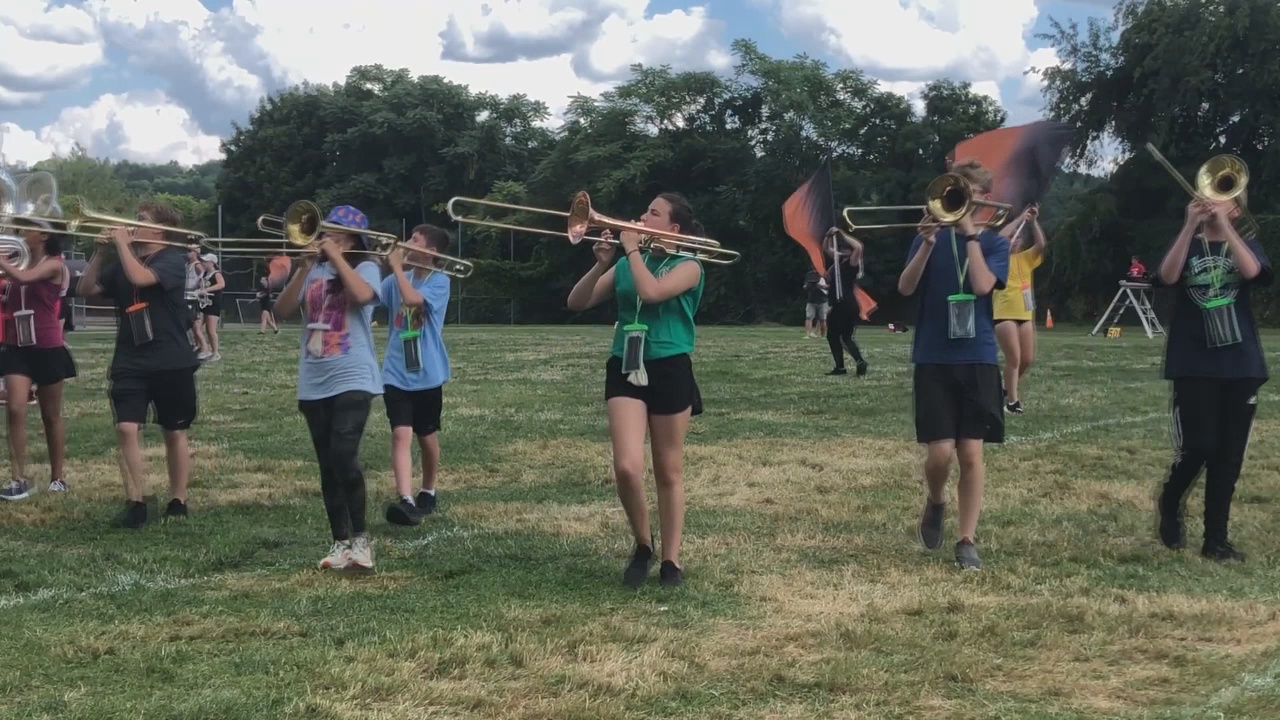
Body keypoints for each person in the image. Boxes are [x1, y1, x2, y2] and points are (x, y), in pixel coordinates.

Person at [566, 192, 705, 589]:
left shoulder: (689, 265)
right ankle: (642, 544)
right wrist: (600, 265)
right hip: (625, 365)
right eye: (645, 209)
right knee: (627, 466)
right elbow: (577, 302)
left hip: (671, 367)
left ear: (673, 229)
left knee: (668, 469)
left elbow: (652, 293)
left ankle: (671, 560)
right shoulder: (629, 262)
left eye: (653, 213)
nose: (641, 216)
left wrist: (630, 252)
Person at [897, 159, 1010, 571]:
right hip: (933, 355)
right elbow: (906, 287)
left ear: (984, 200)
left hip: (978, 355)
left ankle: (966, 539)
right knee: (940, 453)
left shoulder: (996, 243)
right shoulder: (930, 237)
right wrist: (925, 244)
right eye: (957, 193)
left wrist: (971, 238)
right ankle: (936, 499)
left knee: (972, 453)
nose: (964, 203)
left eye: (971, 195)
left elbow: (981, 287)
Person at [1153, 195, 1269, 562]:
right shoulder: (1187, 243)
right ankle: (1171, 500)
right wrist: (1190, 224)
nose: (1215, 204)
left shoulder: (1246, 243)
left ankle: (1216, 540)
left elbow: (1253, 273)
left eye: (1226, 200)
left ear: (1237, 208)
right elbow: (1167, 277)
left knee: (1229, 457)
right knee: (1200, 446)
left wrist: (1228, 229)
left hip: (1241, 363)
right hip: (1194, 362)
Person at [273, 205, 383, 572]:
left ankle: (362, 541)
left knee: (343, 453)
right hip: (314, 377)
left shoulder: (366, 266)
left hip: (353, 374)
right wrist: (303, 266)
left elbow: (361, 297)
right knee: (326, 463)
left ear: (351, 239)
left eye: (334, 232)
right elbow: (282, 309)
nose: (325, 236)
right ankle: (339, 542)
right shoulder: (312, 267)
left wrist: (336, 258)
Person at [76, 201, 199, 528]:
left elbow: (142, 278)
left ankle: (178, 499)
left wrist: (120, 244)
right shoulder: (121, 262)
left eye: (140, 220)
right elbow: (84, 289)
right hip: (130, 359)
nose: (131, 224)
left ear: (160, 229)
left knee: (174, 430)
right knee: (126, 428)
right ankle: (137, 501)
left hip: (170, 358)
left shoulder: (172, 259)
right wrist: (101, 253)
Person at [379, 225, 452, 526]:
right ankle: (405, 499)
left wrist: (397, 267)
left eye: (414, 241)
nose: (407, 244)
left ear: (431, 252)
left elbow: (412, 300)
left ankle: (428, 489)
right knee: (400, 433)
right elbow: (370, 295)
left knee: (427, 436)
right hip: (396, 370)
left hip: (427, 372)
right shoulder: (397, 279)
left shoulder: (441, 281)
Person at [0, 218, 76, 501]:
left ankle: (58, 477)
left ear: (44, 234)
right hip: (16, 345)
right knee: (16, 408)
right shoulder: (16, 262)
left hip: (46, 346)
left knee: (50, 415)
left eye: (27, 227)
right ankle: (18, 478)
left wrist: (5, 264)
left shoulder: (55, 264)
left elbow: (25, 279)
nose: (20, 232)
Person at [992, 204, 1047, 414]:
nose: (1016, 239)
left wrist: (1032, 222)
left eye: (1019, 236)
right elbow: (999, 238)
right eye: (1013, 236)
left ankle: (1006, 388)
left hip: (1025, 313)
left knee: (1027, 359)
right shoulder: (997, 258)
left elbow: (1041, 244)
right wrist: (1017, 221)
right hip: (1004, 313)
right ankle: (1013, 402)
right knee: (1013, 358)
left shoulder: (1025, 258)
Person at [823, 227, 869, 377]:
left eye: (845, 249)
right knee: (842, 336)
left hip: (844, 303)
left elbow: (859, 247)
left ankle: (841, 367)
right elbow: (826, 248)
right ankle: (859, 361)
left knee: (836, 336)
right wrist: (829, 236)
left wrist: (841, 234)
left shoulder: (852, 264)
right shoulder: (839, 262)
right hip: (842, 304)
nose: (843, 250)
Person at [197, 253, 225, 361]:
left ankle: (215, 353)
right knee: (197, 326)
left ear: (212, 263)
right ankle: (204, 349)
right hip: (204, 304)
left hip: (213, 304)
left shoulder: (216, 274)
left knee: (211, 330)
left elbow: (221, 284)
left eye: (205, 261)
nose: (203, 263)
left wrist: (206, 290)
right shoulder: (205, 274)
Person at [802, 269, 827, 338]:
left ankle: (822, 335)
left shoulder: (825, 276)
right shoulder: (810, 275)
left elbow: (828, 287)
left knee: (822, 319)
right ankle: (807, 334)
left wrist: (819, 286)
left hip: (823, 301)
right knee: (808, 318)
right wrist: (809, 285)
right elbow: (805, 287)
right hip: (811, 301)